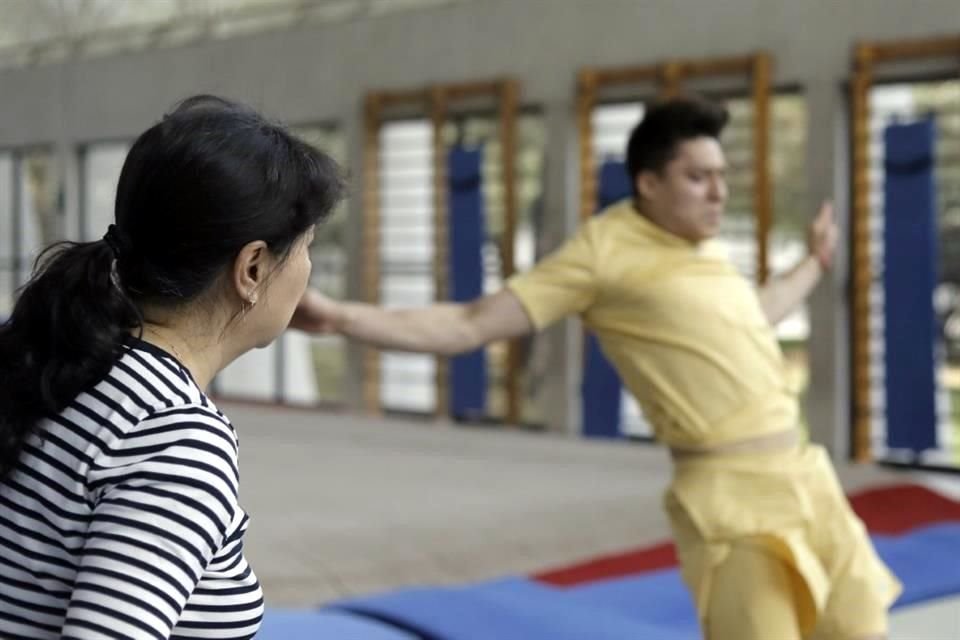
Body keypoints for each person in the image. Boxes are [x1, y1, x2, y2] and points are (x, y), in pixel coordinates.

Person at [290, 96, 901, 639]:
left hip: (805, 475)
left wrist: (816, 265)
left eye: (721, 176)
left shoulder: (706, 250)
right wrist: (344, 317)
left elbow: (753, 315)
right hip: (729, 498)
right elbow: (472, 323)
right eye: (697, 177)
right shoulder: (600, 255)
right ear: (649, 183)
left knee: (858, 626)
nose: (718, 193)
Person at [0, 95, 344, 639]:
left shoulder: (70, 361)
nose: (307, 274)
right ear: (252, 267)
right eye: (306, 250)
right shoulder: (174, 437)